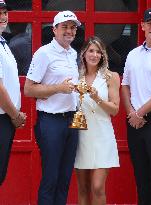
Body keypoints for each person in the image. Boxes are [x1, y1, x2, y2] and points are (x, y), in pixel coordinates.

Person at [24, 10, 81, 205]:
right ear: (54, 30)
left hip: (72, 120)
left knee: (65, 178)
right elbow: (29, 89)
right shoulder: (44, 53)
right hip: (51, 121)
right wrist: (59, 88)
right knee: (51, 178)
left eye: (73, 27)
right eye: (64, 26)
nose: (69, 31)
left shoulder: (73, 53)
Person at [122, 7, 151, 205]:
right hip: (135, 121)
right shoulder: (133, 54)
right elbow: (125, 85)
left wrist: (140, 112)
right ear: (143, 26)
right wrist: (131, 113)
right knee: (142, 177)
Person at [74, 36, 120, 205]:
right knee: (83, 187)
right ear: (84, 53)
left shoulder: (111, 77)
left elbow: (115, 109)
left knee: (98, 186)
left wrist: (97, 98)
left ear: (103, 55)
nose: (94, 55)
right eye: (91, 51)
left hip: (102, 135)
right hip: (81, 136)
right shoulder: (75, 76)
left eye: (98, 52)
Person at [0, 0, 26, 185]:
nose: (3, 17)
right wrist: (15, 115)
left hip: (5, 118)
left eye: (4, 13)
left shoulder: (4, 44)